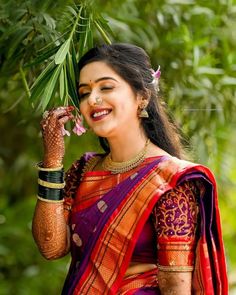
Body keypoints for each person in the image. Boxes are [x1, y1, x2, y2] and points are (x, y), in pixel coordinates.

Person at [32, 43, 228, 294]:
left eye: (106, 87)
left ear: (142, 97)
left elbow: (176, 289)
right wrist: (52, 160)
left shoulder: (170, 182)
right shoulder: (83, 170)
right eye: (84, 92)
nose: (93, 99)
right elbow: (51, 247)